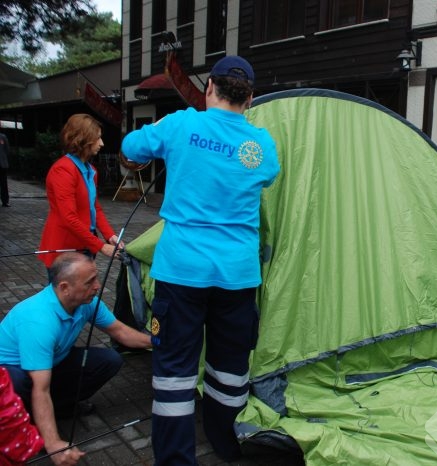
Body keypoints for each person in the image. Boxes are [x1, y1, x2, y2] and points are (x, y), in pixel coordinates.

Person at [121, 55, 280, 465]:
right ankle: (226, 446)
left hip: (182, 272)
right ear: (250, 99)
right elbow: (268, 175)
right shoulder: (260, 145)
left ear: (209, 88)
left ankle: (176, 459)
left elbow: (130, 147)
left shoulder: (180, 124)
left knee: (174, 372)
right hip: (238, 277)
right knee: (230, 367)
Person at [0, 252, 152, 466]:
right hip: (12, 374)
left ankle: (59, 407)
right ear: (64, 287)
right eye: (90, 282)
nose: (98, 286)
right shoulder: (39, 321)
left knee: (110, 360)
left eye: (96, 278)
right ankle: (25, 421)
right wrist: (53, 443)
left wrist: (160, 343)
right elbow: (40, 388)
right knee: (21, 382)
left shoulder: (87, 302)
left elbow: (120, 332)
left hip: (49, 363)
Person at [38, 114, 123, 272]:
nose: (102, 143)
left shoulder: (90, 170)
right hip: (64, 248)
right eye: (98, 138)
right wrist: (101, 246)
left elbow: (95, 208)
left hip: (84, 245)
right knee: (65, 296)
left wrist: (110, 236)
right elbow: (68, 218)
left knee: (84, 293)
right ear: (84, 139)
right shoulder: (63, 170)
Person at [0, 131, 10, 207]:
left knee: (4, 184)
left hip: (2, 164)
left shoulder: (3, 137)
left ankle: (5, 201)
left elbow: (7, 150)